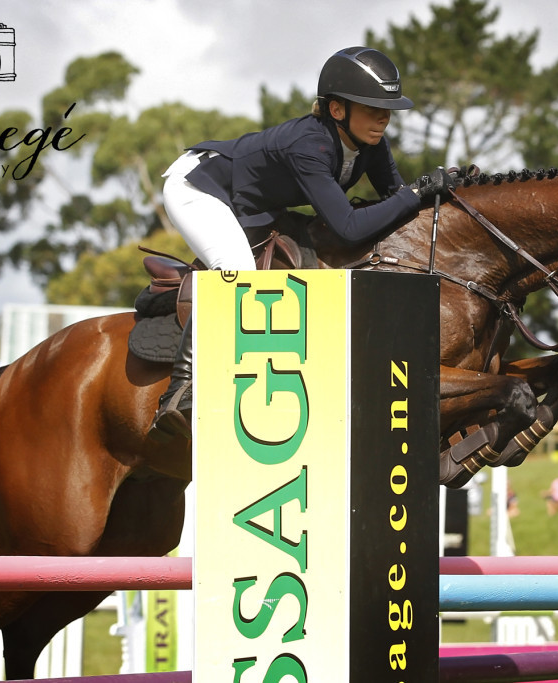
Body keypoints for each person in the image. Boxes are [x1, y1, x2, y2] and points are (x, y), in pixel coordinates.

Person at [149, 46, 456, 442]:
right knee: (237, 272)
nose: (384, 117)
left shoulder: (372, 144)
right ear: (337, 110)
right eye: (372, 107)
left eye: (389, 109)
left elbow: (398, 201)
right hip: (201, 187)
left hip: (255, 204)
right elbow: (347, 225)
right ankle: (181, 391)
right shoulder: (308, 145)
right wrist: (416, 191)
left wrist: (442, 194)